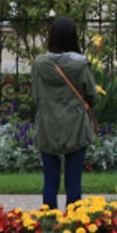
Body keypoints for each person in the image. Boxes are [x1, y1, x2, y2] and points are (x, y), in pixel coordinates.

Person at [31, 16, 98, 210]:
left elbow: (35, 95)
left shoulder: (39, 65)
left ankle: (49, 221)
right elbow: (91, 95)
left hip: (47, 125)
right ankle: (74, 223)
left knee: (50, 182)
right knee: (73, 181)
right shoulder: (80, 65)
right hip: (75, 124)